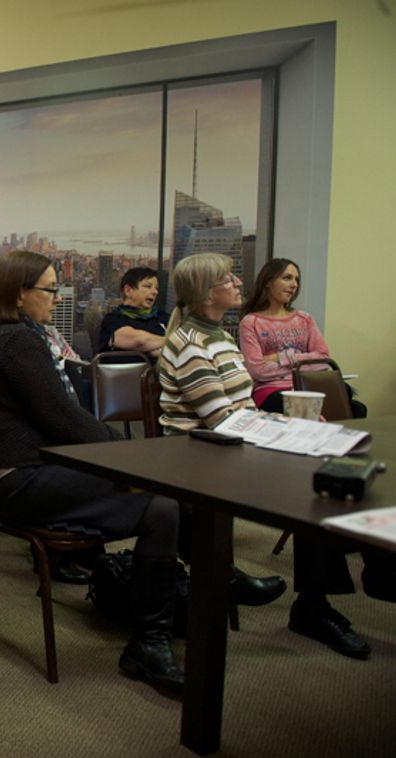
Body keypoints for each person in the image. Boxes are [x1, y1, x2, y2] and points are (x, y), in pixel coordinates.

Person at [0, 250, 186, 692]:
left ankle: (207, 590)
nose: (56, 297)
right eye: (50, 289)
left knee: (172, 496)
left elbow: (62, 418)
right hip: (20, 481)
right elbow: (62, 419)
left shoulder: (18, 335)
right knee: (163, 504)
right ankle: (150, 639)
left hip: (33, 470)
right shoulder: (16, 340)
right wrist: (129, 457)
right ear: (19, 294)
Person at [158, 252, 384, 659]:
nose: (239, 284)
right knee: (312, 478)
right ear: (209, 294)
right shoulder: (191, 344)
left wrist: (287, 428)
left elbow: (242, 410)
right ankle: (322, 602)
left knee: (333, 462)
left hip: (230, 442)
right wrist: (281, 431)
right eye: (229, 279)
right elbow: (221, 419)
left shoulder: (218, 336)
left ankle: (365, 571)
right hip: (204, 456)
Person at [238, 258, 358, 414]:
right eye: (287, 278)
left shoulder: (304, 319)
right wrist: (304, 361)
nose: (294, 284)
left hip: (308, 384)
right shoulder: (251, 322)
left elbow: (322, 359)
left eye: (296, 279)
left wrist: (280, 358)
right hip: (272, 390)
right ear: (268, 281)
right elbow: (257, 370)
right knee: (291, 404)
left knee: (354, 403)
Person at [97, 266, 169, 358]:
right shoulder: (113, 319)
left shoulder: (164, 318)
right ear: (128, 291)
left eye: (156, 288)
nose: (155, 292)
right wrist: (170, 343)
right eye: (148, 286)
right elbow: (140, 341)